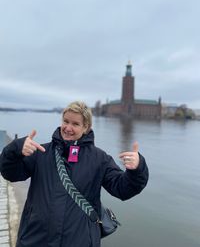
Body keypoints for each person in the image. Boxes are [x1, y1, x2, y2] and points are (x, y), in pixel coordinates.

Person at [0, 101, 149, 247]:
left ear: (86, 127)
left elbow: (123, 189)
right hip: (35, 238)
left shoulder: (99, 159)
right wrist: (15, 150)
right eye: (66, 121)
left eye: (75, 124)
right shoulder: (42, 152)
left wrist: (137, 169)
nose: (68, 128)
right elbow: (10, 173)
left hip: (79, 240)